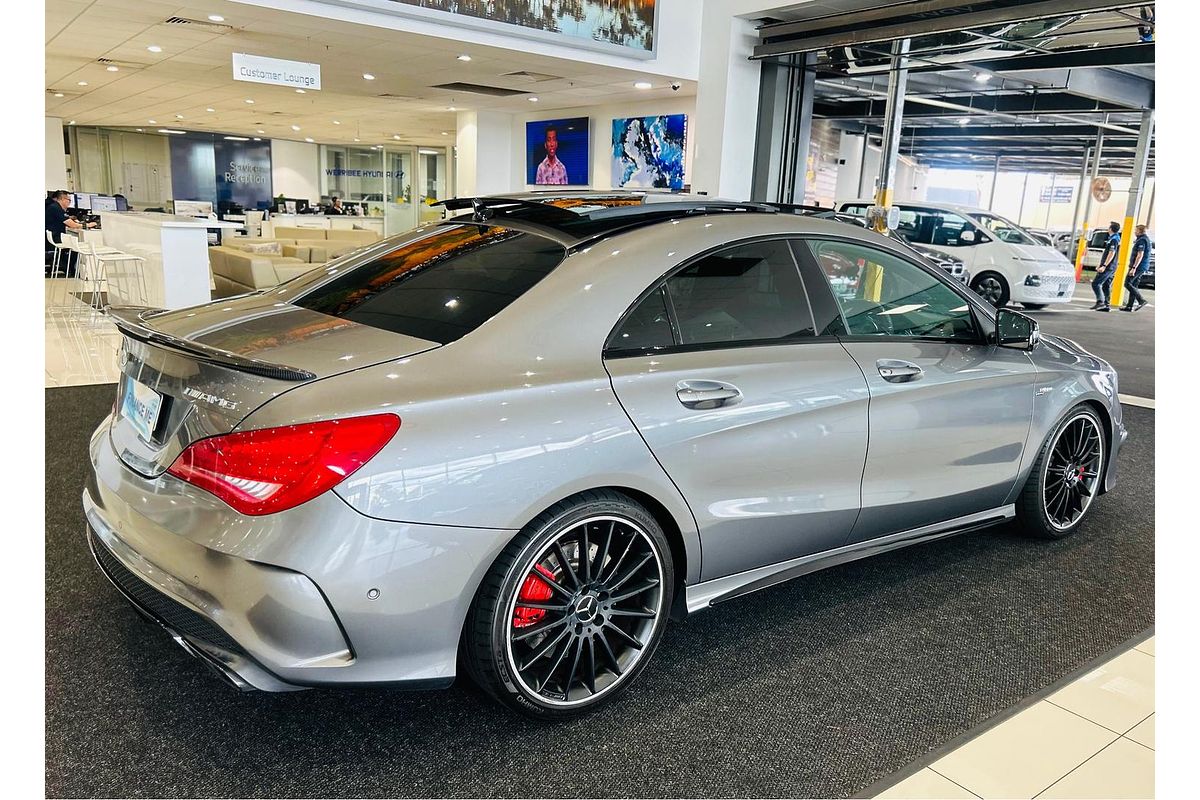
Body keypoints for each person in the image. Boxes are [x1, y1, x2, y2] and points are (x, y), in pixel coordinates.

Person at [45, 190, 95, 277]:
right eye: (69, 200)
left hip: (53, 236)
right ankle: (72, 270)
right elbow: (72, 225)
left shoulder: (55, 207)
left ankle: (69, 268)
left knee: (74, 243)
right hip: (55, 238)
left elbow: (67, 221)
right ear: (62, 199)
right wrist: (87, 225)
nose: (70, 202)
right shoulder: (56, 208)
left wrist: (75, 222)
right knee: (75, 247)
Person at [1121, 224, 1152, 312]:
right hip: (1142, 266)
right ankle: (1129, 306)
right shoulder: (1145, 239)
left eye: (1136, 230)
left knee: (1127, 283)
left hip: (1138, 266)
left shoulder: (1142, 240)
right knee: (1134, 285)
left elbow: (1140, 255)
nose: (1135, 232)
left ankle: (1141, 300)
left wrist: (1134, 268)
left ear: (1139, 231)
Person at [1091, 221, 1121, 312]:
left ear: (1110, 229)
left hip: (1109, 266)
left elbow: (1111, 253)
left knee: (1096, 283)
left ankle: (1100, 302)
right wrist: (1100, 264)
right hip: (1112, 266)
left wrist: (1104, 265)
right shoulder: (1114, 238)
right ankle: (1106, 305)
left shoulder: (1114, 240)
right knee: (1106, 285)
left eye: (1109, 227)